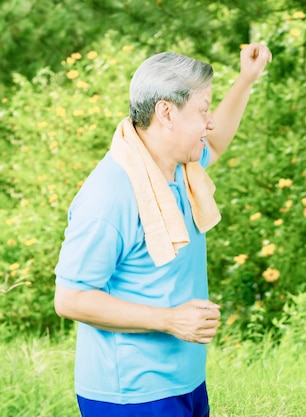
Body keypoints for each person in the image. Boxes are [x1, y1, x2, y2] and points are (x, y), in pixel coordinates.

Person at [54, 43, 272, 417]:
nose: (210, 122)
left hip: (184, 383)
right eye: (203, 110)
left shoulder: (179, 168)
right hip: (131, 395)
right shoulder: (110, 194)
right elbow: (70, 299)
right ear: (166, 112)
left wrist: (247, 79)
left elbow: (216, 143)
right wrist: (169, 320)